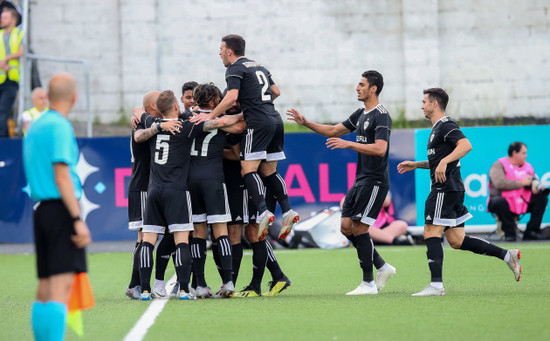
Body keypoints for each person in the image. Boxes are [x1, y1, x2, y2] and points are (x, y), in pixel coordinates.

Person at [397, 88, 522, 297]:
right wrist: (417, 164)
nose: (422, 106)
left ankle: (436, 286)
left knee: (430, 232)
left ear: (435, 104)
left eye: (424, 102)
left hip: (444, 188)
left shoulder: (446, 124)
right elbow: (440, 162)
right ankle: (508, 256)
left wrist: (444, 161)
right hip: (453, 188)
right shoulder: (437, 129)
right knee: (456, 240)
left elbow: (466, 145)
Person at [287, 70, 397, 295]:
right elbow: (334, 130)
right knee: (346, 227)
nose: (357, 88)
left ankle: (368, 284)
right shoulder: (360, 113)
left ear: (373, 88)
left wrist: (349, 145)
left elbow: (380, 148)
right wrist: (306, 122)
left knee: (360, 228)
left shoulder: (381, 115)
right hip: (360, 180)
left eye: (362, 84)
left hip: (375, 181)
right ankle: (383, 267)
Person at [135, 90, 243, 300]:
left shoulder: (168, 120)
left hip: (167, 186)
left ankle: (192, 284)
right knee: (214, 233)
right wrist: (238, 115)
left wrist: (156, 125)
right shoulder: (189, 124)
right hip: (203, 182)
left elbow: (139, 124)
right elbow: (236, 126)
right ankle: (218, 283)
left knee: (173, 237)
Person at [191, 34, 299, 242]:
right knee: (269, 171)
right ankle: (287, 210)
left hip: (257, 123)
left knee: (247, 168)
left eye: (221, 50)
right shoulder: (259, 66)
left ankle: (263, 211)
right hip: (275, 120)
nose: (220, 53)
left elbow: (231, 97)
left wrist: (211, 115)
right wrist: (257, 102)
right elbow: (276, 91)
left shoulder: (234, 68)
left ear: (229, 51)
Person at [23, 73, 92, 340]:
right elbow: (61, 173)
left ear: (48, 97)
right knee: (60, 289)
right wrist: (76, 217)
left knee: (45, 288)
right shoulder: (60, 126)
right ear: (74, 97)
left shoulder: (36, 126)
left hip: (41, 210)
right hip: (61, 210)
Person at [187, 83, 246, 298]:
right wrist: (237, 115)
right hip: (213, 179)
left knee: (198, 231)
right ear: (213, 102)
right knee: (221, 230)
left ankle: (201, 284)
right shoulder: (219, 121)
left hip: (191, 180)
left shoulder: (188, 117)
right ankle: (228, 282)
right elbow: (239, 127)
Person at [125, 91, 181, 300]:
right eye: (158, 102)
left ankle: (173, 283)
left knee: (170, 233)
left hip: (157, 187)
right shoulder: (143, 125)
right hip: (142, 187)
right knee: (143, 237)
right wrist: (140, 114)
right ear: (152, 109)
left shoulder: (153, 120)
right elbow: (141, 130)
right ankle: (135, 284)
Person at [488, 142, 549, 241]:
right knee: (499, 202)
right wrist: (521, 183)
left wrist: (534, 188)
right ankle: (510, 233)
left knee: (542, 198)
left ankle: (531, 232)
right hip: (503, 201)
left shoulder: (528, 166)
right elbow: (499, 183)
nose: (526, 156)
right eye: (523, 153)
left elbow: (532, 181)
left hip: (522, 201)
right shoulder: (499, 165)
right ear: (514, 153)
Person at [340, 193, 413, 246]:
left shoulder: (380, 190)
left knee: (402, 225)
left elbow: (386, 201)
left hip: (382, 226)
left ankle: (378, 241)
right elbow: (343, 207)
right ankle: (394, 241)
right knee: (362, 227)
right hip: (365, 227)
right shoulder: (353, 194)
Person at [0, 6, 23, 138]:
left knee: (4, 110)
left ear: (13, 20)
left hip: (11, 80)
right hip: (0, 77)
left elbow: (21, 52)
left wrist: (6, 59)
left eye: (5, 17)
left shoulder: (18, 34)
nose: (1, 19)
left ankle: (2, 140)